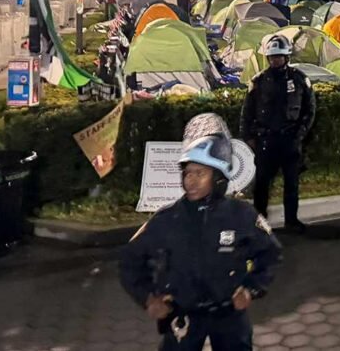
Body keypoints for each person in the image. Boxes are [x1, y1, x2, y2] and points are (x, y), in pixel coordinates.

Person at [120, 114, 282, 350]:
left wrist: (251, 289)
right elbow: (129, 260)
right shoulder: (167, 219)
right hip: (183, 315)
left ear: (218, 178)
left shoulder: (241, 215)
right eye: (188, 173)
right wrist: (148, 298)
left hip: (229, 315)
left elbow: (271, 253)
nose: (191, 181)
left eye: (200, 173)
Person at [240, 34, 316, 233]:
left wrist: (300, 134)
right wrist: (248, 138)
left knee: (292, 183)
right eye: (272, 57)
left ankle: (291, 221)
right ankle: (260, 223)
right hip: (266, 140)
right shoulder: (258, 81)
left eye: (279, 56)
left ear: (286, 57)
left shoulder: (299, 79)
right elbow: (247, 112)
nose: (275, 60)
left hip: (290, 140)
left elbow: (309, 110)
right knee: (262, 185)